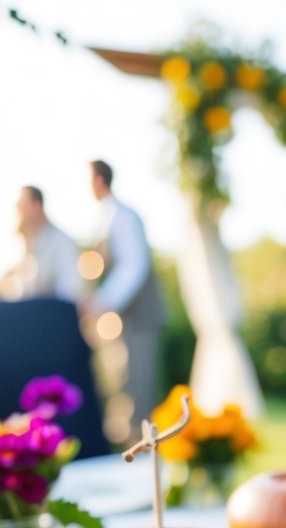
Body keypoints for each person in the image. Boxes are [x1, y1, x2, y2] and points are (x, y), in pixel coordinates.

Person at [85, 159, 165, 434]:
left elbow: (134, 265)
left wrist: (101, 302)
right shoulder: (108, 216)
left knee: (139, 386)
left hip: (141, 316)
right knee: (123, 382)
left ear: (97, 180)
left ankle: (142, 455)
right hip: (125, 319)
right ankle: (129, 446)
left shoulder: (124, 216)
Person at [5, 185, 82, 304]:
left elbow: (69, 294)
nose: (17, 210)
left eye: (21, 205)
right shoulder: (29, 247)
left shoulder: (61, 243)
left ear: (36, 206)